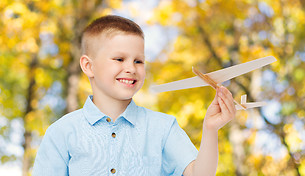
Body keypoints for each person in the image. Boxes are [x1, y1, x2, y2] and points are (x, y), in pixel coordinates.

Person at [32, 15, 236, 176]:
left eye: (139, 61)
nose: (131, 68)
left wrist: (210, 129)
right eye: (119, 59)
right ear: (88, 66)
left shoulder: (163, 128)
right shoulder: (61, 132)